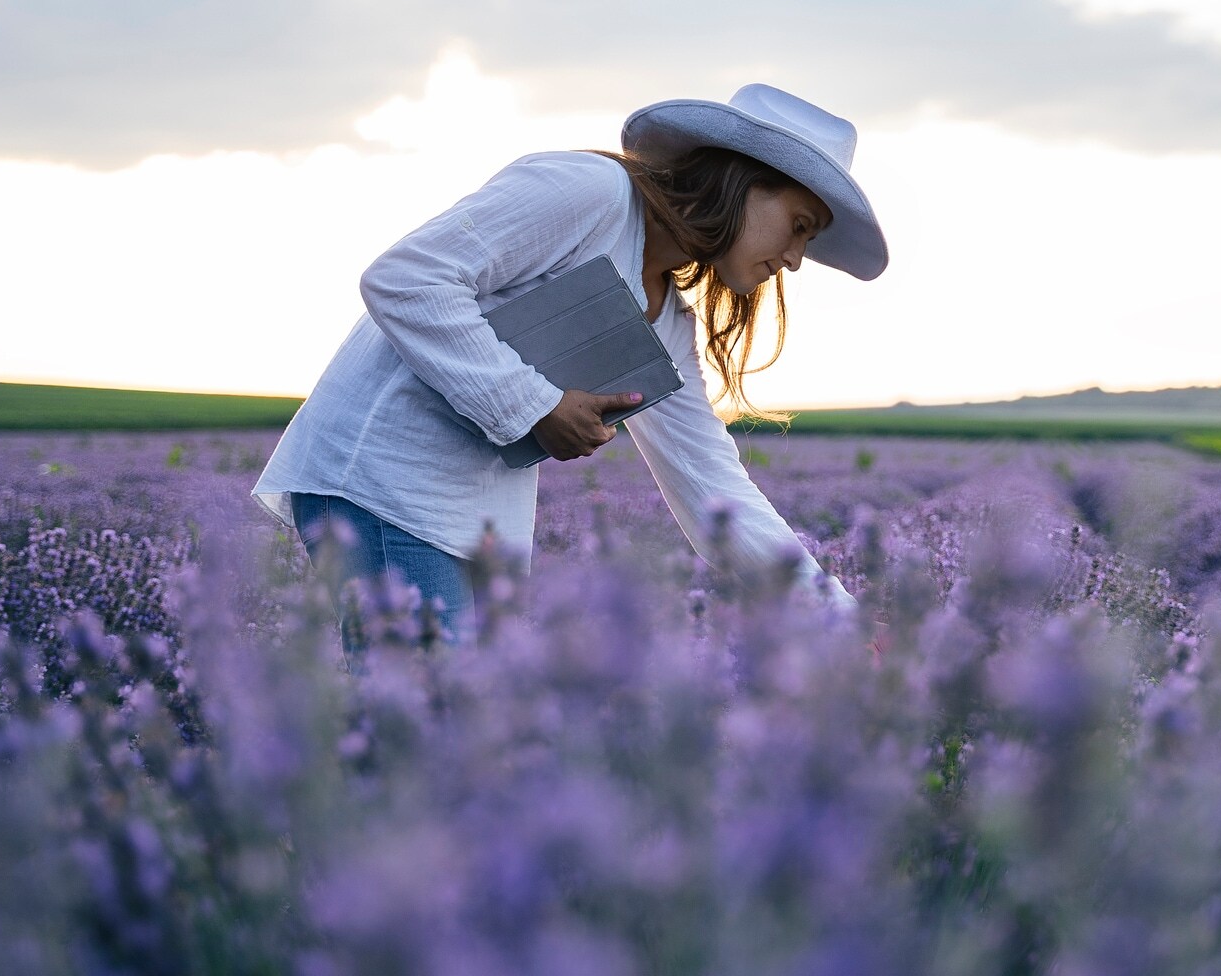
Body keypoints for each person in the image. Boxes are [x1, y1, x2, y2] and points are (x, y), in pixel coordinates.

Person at [251, 83, 886, 653]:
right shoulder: (593, 194)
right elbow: (407, 277)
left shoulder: (666, 319)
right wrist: (536, 407)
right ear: (744, 182)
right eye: (799, 227)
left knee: (457, 748)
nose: (797, 260)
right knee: (426, 738)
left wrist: (839, 621)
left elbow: (712, 489)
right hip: (383, 478)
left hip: (471, 517)